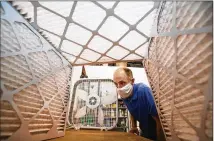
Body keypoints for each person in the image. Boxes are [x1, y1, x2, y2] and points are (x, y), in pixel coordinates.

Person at [113, 67, 162, 141]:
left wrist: (160, 138)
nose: (119, 87)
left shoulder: (143, 91)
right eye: (116, 84)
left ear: (132, 81)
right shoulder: (124, 94)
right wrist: (134, 126)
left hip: (157, 131)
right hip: (145, 131)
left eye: (122, 83)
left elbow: (159, 121)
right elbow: (132, 109)